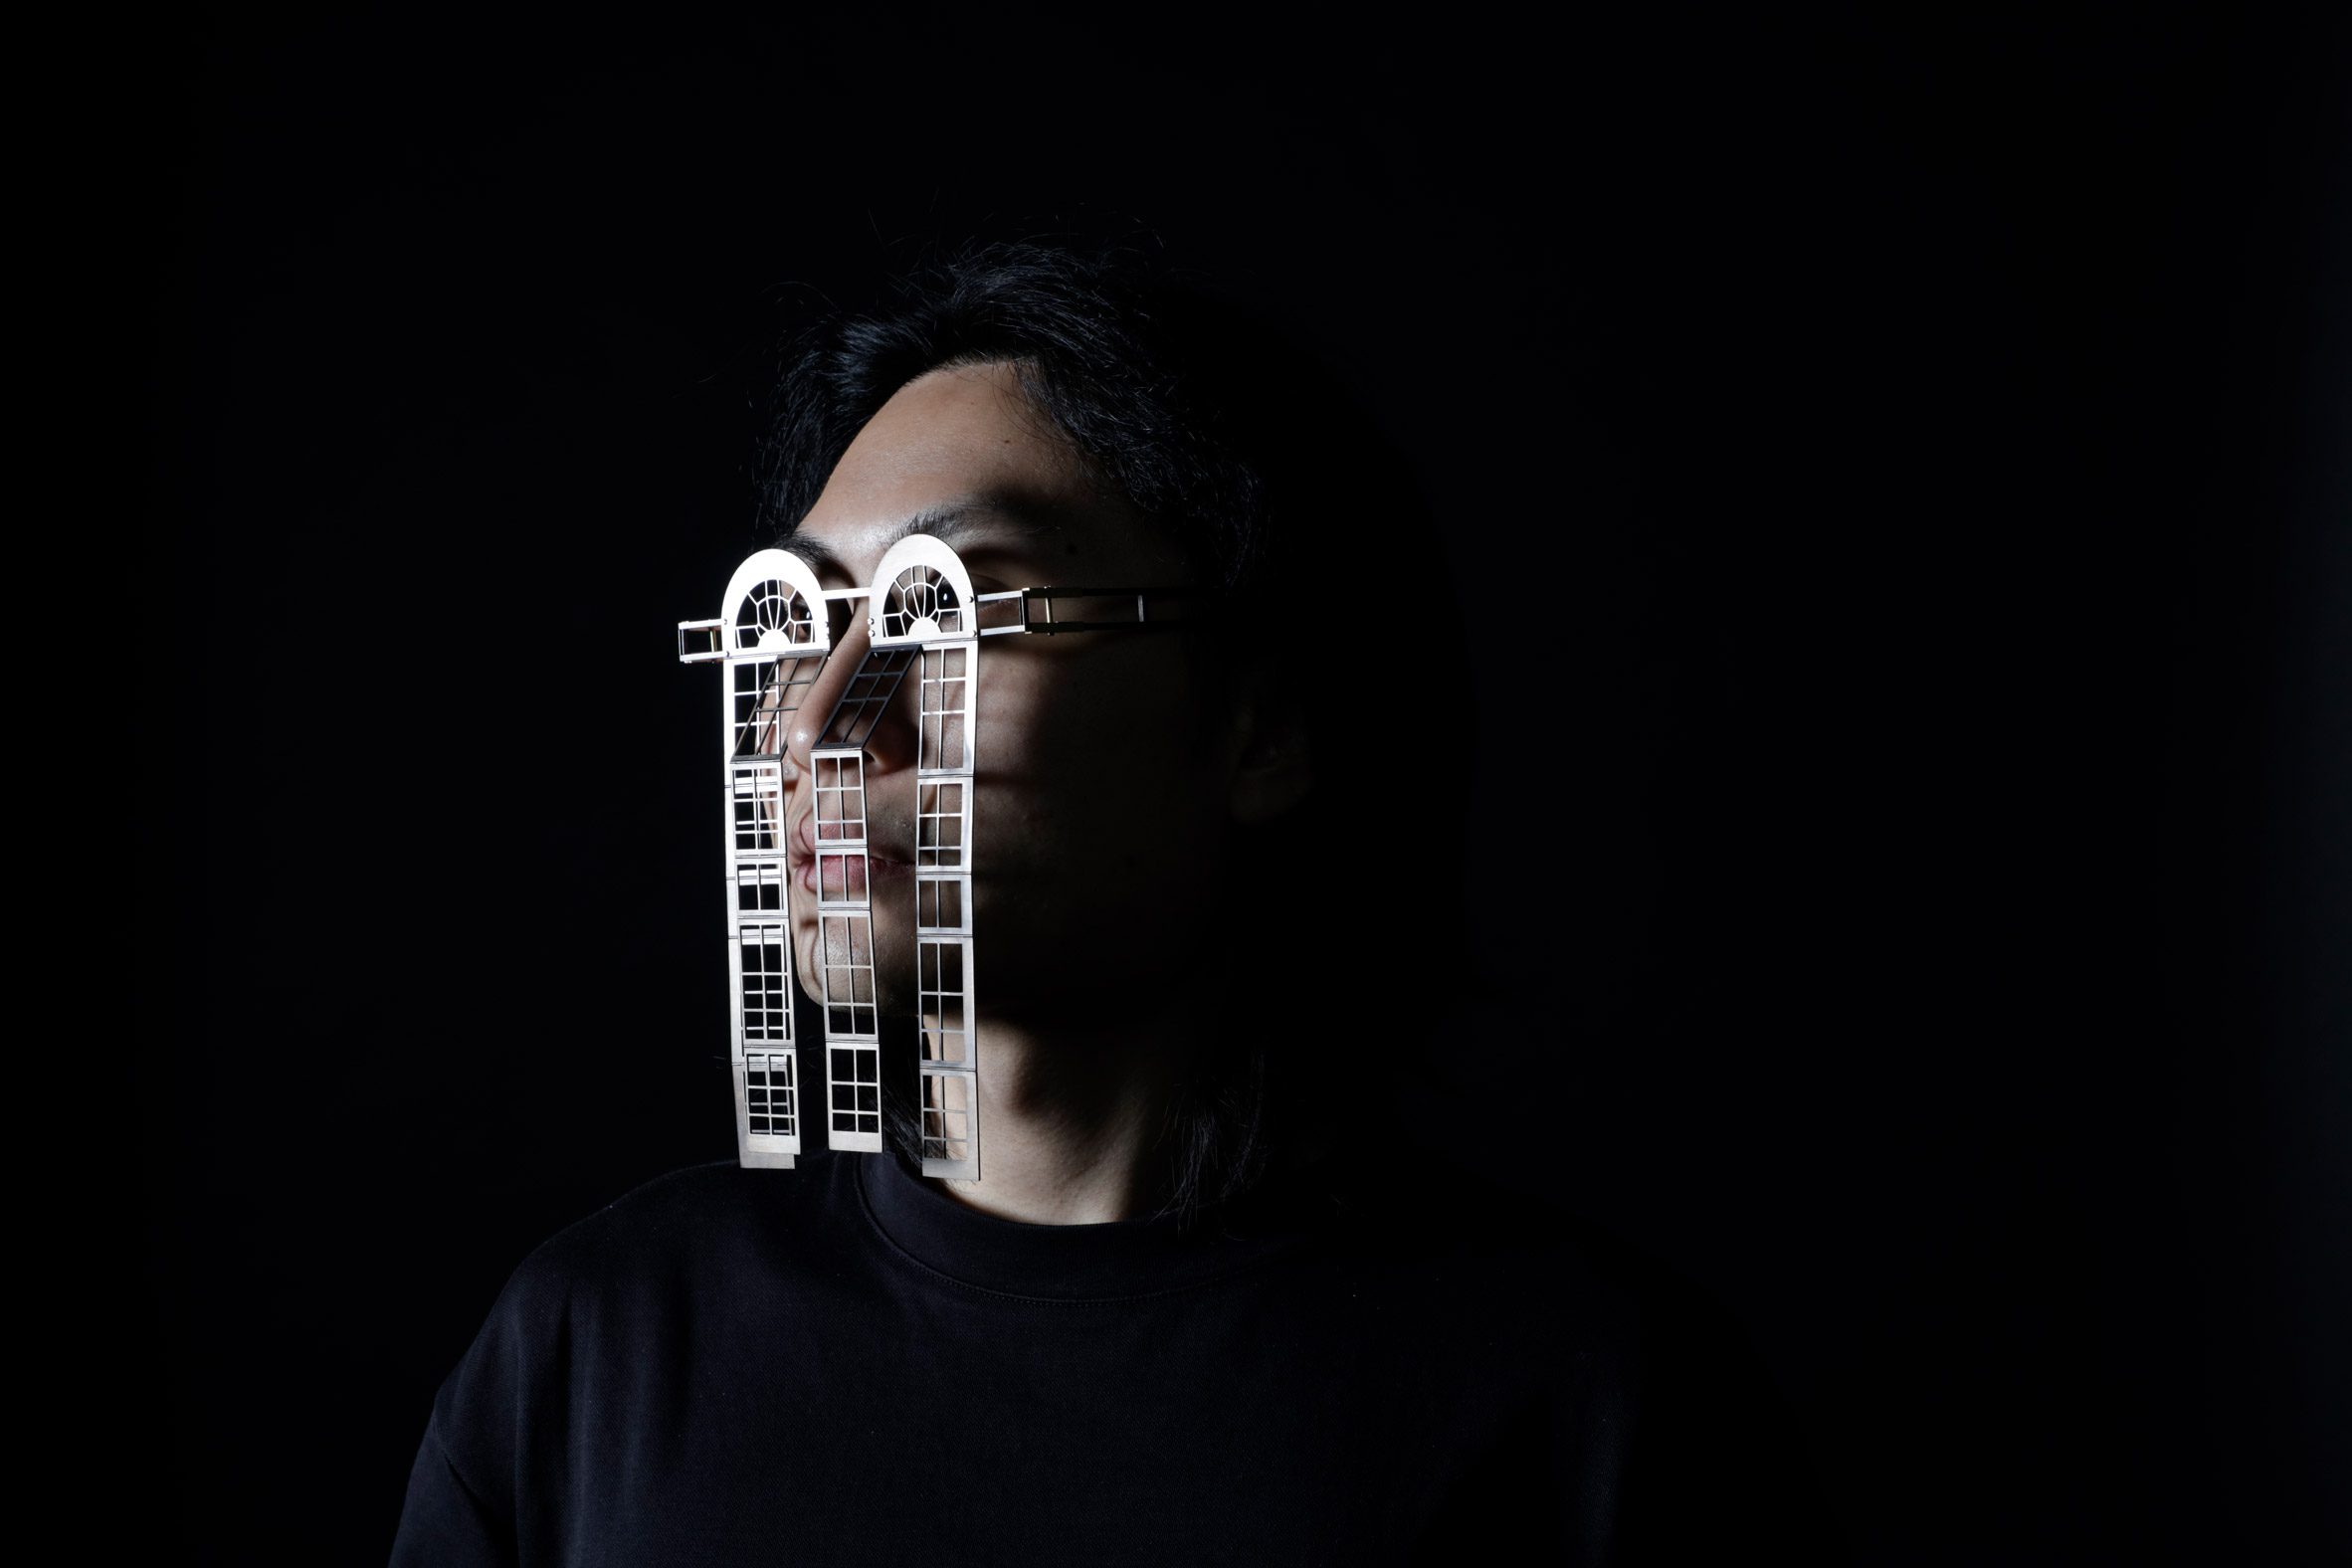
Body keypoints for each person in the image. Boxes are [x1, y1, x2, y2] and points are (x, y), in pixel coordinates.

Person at [389, 238, 1845, 1564]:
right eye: (798, 621)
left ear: (1263, 728)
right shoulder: (599, 1348)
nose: (826, 722)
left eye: (942, 615)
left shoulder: (1591, 1407)